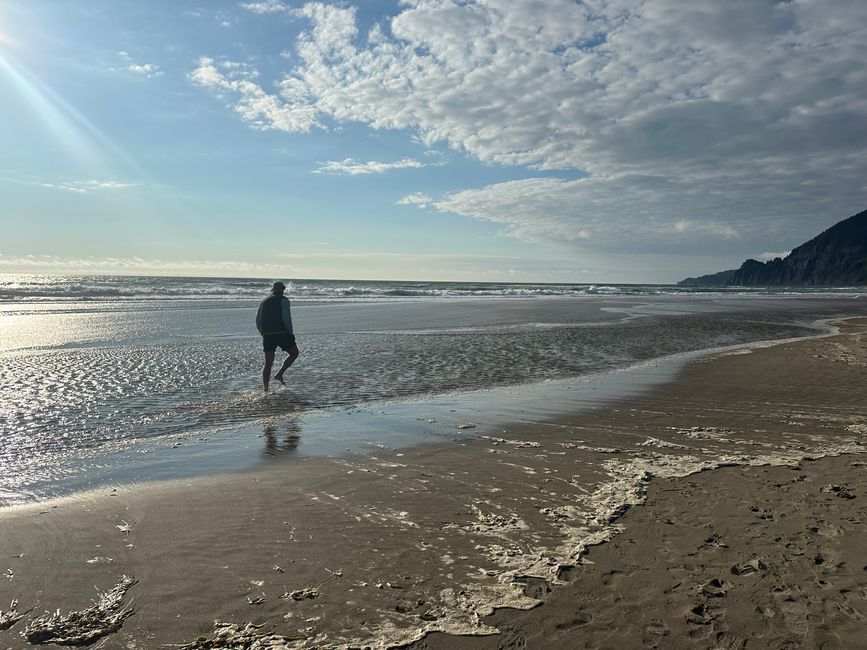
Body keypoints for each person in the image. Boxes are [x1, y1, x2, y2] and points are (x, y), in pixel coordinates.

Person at [256, 281, 299, 392]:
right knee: (294, 353)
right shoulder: (284, 300)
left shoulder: (264, 301)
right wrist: (290, 332)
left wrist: (262, 332)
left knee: (268, 363)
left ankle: (266, 389)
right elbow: (286, 318)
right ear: (283, 289)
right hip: (282, 333)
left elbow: (258, 320)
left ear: (273, 289)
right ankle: (279, 373)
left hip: (267, 335)